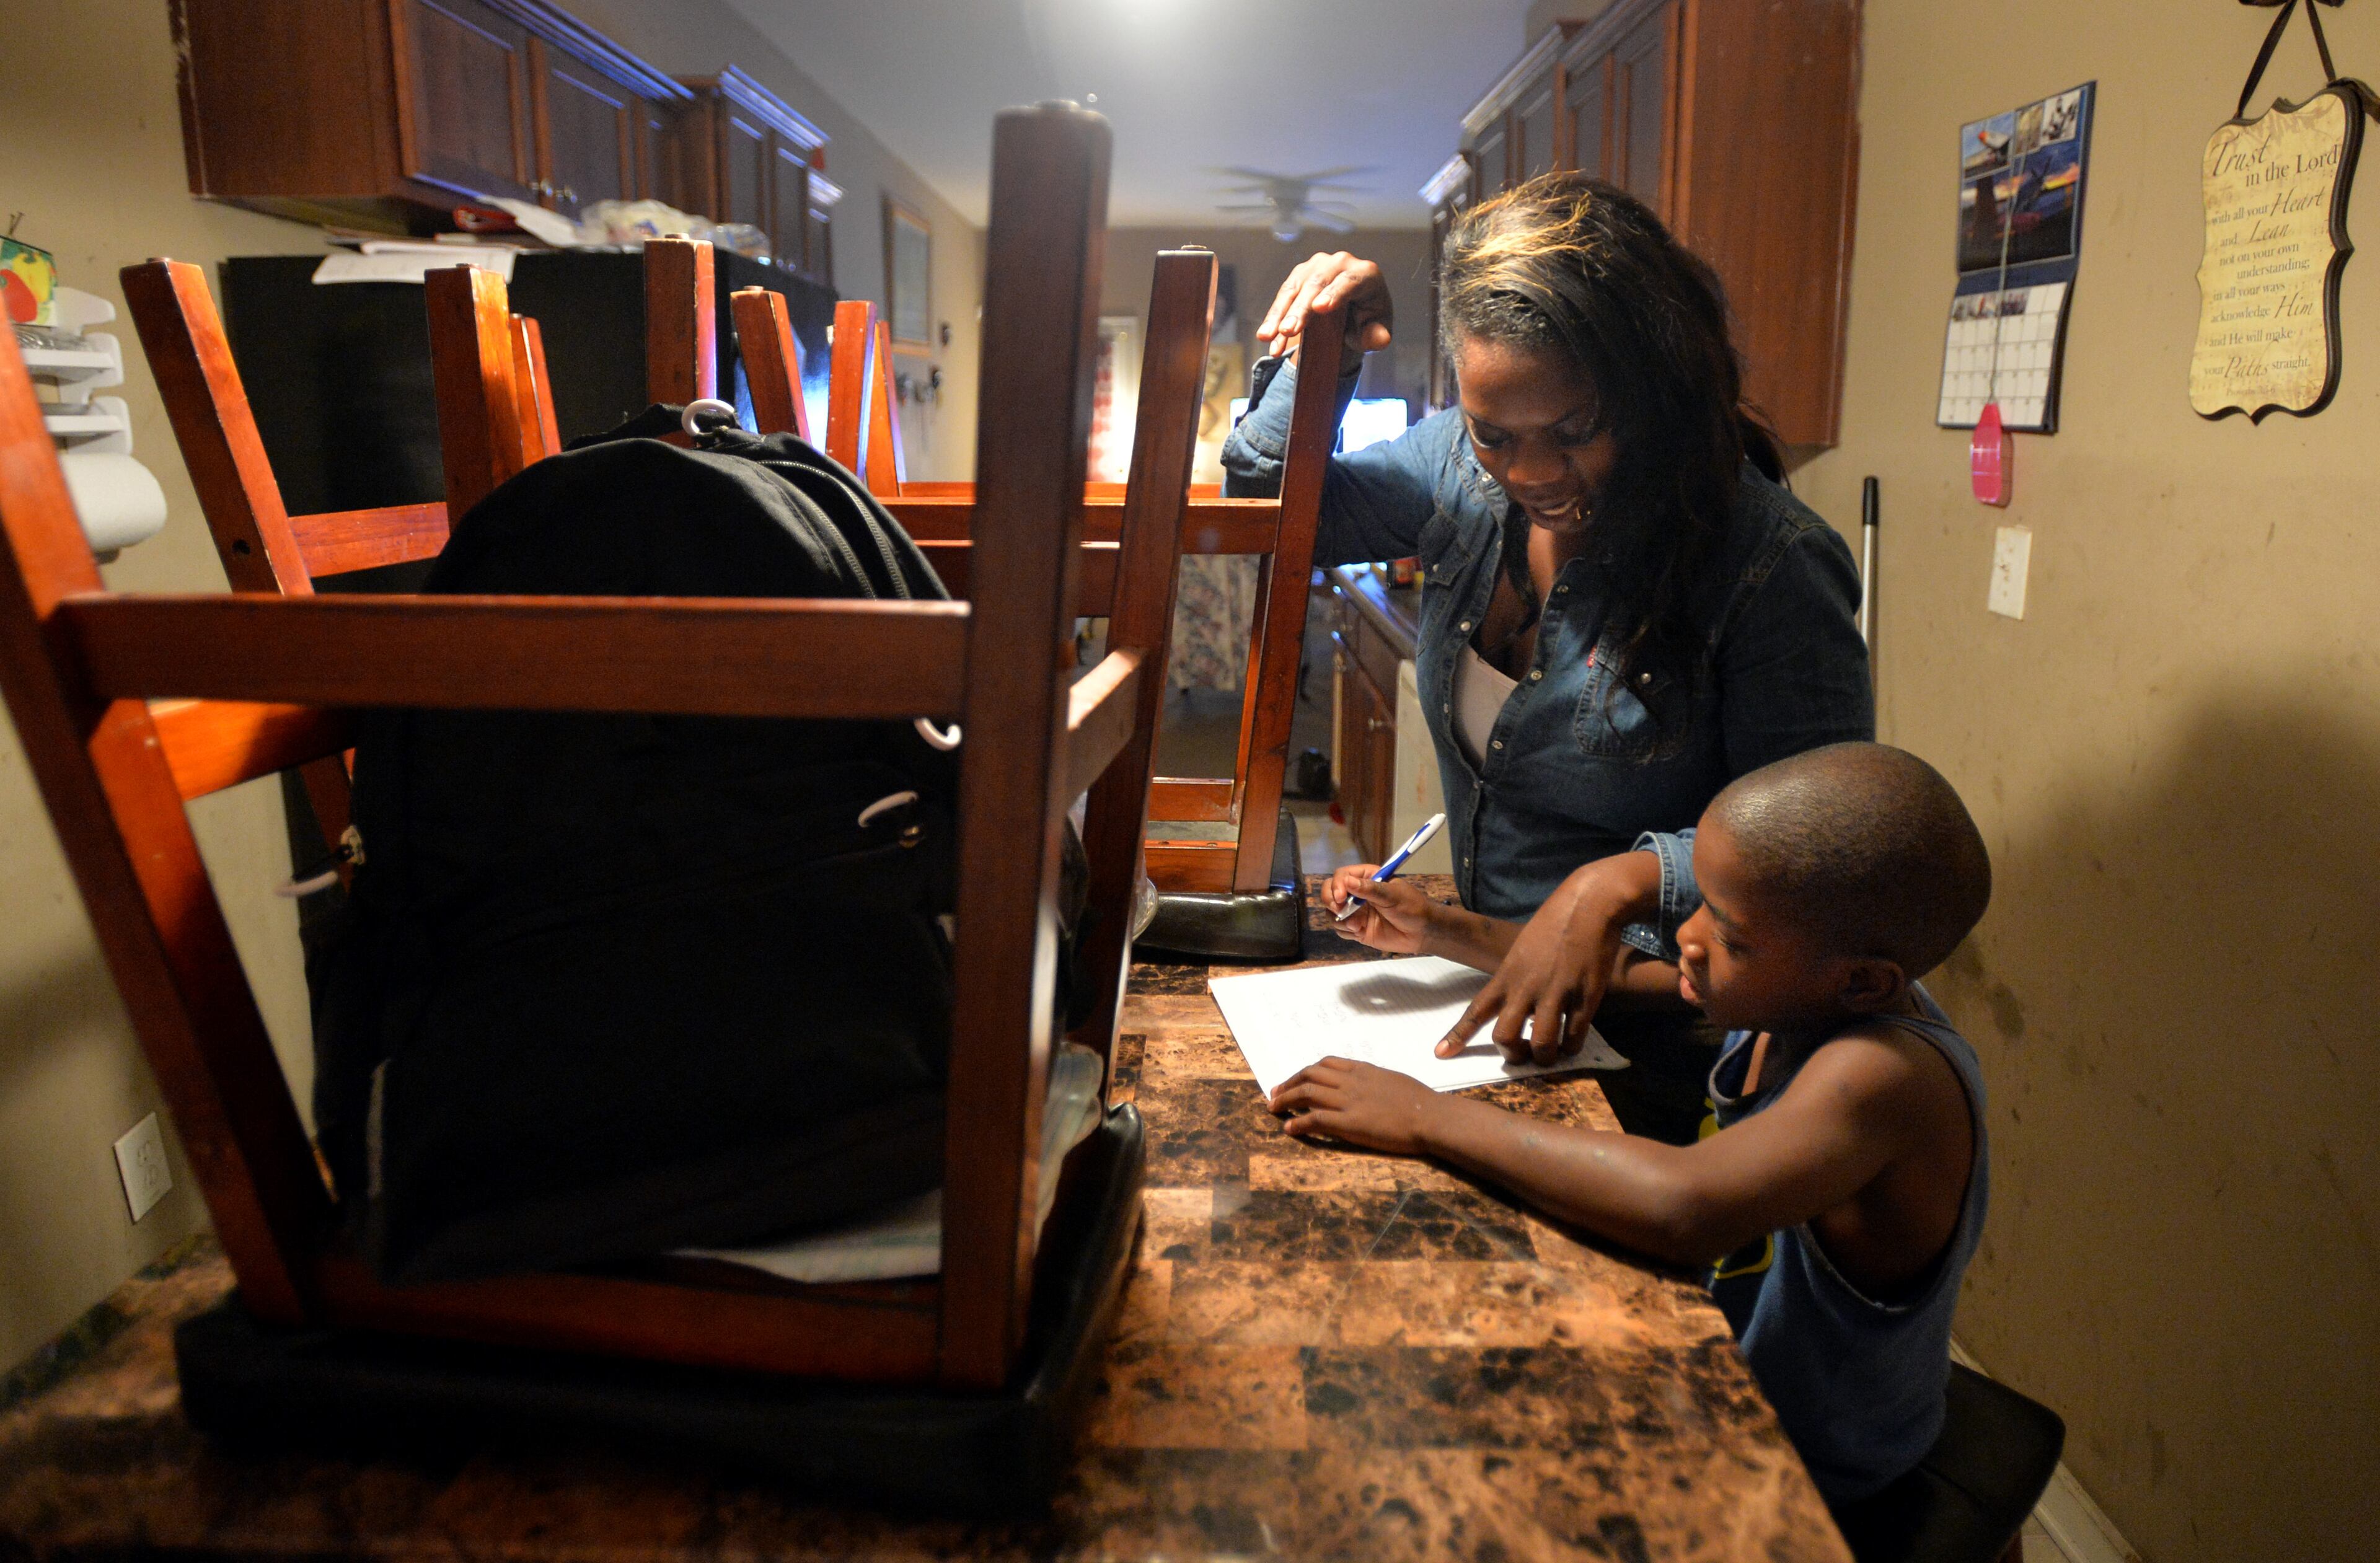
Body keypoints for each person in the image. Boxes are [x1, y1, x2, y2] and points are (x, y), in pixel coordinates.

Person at [1223, 173, 1873, 1142]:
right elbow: (1264, 504)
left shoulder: (1767, 563)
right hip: (1489, 1017)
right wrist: (1329, 346)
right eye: (1496, 433)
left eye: (1576, 432)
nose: (1530, 474)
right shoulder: (1451, 469)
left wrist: (1617, 881)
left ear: (1651, 386)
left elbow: (1815, 860)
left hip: (1661, 1071)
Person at [1266, 743, 1992, 1509]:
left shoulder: (1883, 1076)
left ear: (1863, 980)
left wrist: (1424, 1114)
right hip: (1723, 1367)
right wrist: (1437, 929)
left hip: (1807, 1469)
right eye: (1703, 902)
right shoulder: (1797, 992)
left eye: (1732, 935)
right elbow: (1608, 977)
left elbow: (1684, 1204)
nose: (1691, 936)